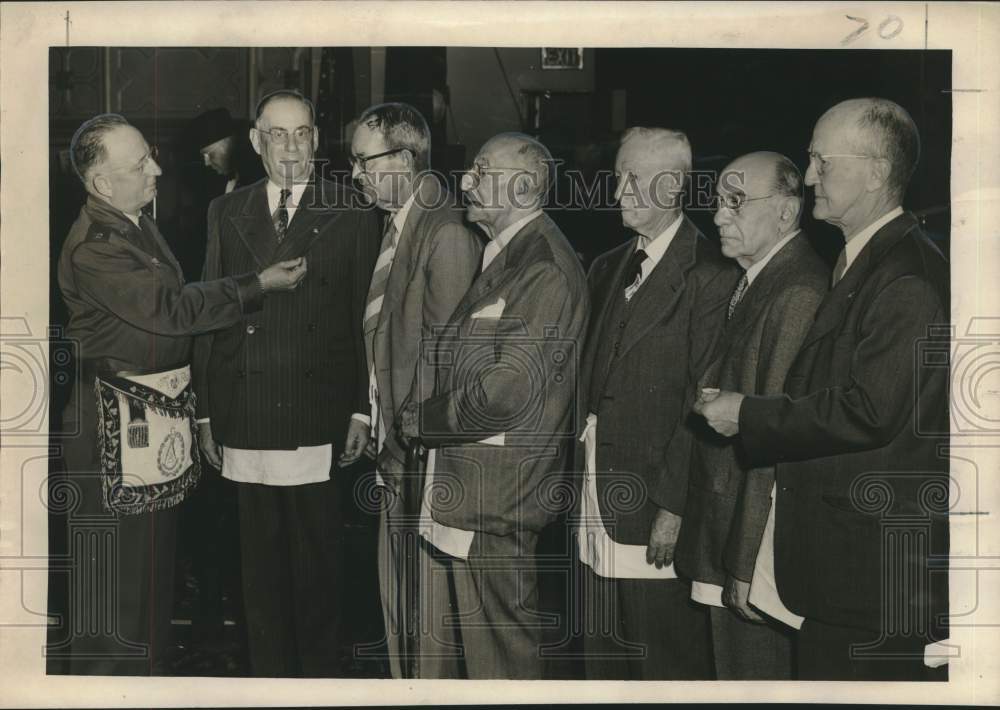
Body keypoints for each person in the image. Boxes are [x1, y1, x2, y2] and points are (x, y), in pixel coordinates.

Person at [694, 98, 950, 681]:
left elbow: (870, 410)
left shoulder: (906, 275)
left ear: (877, 173)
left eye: (820, 162)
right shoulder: (866, 260)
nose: (808, 177)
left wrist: (748, 415)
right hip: (844, 568)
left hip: (870, 575)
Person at [54, 112, 305, 675]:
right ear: (101, 183)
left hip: (145, 420)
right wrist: (256, 285)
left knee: (149, 581)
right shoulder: (97, 245)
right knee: (114, 593)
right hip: (110, 433)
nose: (158, 169)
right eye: (141, 162)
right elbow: (172, 310)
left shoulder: (132, 222)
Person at [192, 90, 381, 677]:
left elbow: (363, 320)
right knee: (260, 581)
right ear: (256, 141)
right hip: (246, 412)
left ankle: (318, 682)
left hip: (316, 414)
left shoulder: (351, 211)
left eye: (301, 134)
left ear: (317, 140)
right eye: (277, 134)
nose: (291, 148)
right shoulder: (227, 212)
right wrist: (205, 413)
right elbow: (212, 316)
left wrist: (361, 411)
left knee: (319, 573)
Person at [399, 132, 589, 678]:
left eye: (482, 172)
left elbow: (507, 392)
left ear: (525, 186)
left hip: (498, 497)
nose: (466, 182)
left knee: (502, 661)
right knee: (485, 658)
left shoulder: (544, 267)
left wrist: (421, 421)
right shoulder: (507, 255)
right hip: (478, 490)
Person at [575, 126, 739, 680]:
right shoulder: (607, 265)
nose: (619, 189)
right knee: (600, 652)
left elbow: (705, 403)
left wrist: (674, 506)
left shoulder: (711, 276)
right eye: (619, 175)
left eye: (635, 178)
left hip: (655, 503)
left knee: (660, 658)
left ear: (673, 186)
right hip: (595, 492)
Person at [673, 151, 828, 679]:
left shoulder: (797, 292)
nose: (719, 216)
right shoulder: (758, 281)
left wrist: (744, 563)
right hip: (724, 530)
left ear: (786, 212)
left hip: (748, 549)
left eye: (735, 202)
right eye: (717, 202)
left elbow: (776, 441)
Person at [349, 102, 482, 678]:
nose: (354, 174)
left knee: (424, 612)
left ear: (403, 159)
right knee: (399, 600)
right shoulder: (401, 220)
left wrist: (408, 442)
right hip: (396, 445)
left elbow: (443, 363)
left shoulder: (445, 230)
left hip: (421, 453)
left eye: (362, 161)